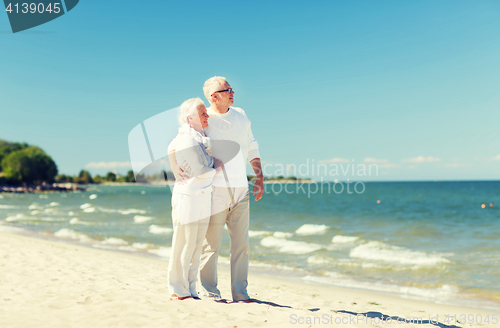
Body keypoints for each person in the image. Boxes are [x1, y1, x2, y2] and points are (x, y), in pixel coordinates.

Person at [199, 76, 264, 302]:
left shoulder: (241, 115)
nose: (233, 93)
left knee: (241, 245)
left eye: (232, 89)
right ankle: (210, 292)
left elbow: (252, 145)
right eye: (227, 90)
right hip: (214, 191)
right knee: (211, 245)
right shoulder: (205, 119)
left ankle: (240, 293)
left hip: (240, 190)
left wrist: (259, 177)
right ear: (214, 97)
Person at [167, 97, 222, 300]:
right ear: (190, 118)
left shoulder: (199, 137)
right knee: (184, 243)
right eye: (203, 113)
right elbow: (200, 171)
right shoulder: (186, 138)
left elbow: (170, 147)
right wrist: (217, 168)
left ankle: (190, 287)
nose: (207, 116)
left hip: (202, 196)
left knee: (197, 244)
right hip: (188, 197)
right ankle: (177, 289)